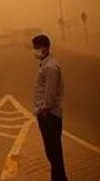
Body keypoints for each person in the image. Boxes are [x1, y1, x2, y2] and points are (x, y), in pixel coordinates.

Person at [32, 34, 68, 181]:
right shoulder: (45, 64)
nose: (34, 51)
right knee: (52, 154)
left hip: (50, 115)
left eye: (36, 48)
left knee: (54, 153)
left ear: (45, 48)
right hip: (47, 114)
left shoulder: (51, 67)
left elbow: (50, 93)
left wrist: (45, 112)